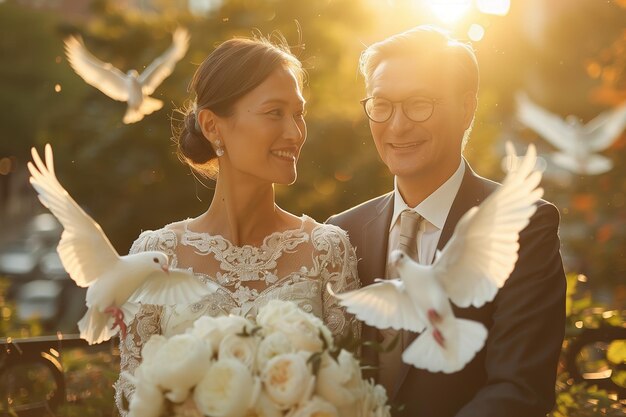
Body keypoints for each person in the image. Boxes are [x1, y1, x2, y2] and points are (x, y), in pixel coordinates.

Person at [114, 35, 360, 415]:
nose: (295, 133)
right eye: (274, 112)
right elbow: (136, 401)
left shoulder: (328, 250)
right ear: (213, 126)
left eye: (299, 113)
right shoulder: (154, 257)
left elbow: (348, 395)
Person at [327, 25, 566, 417]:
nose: (398, 125)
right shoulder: (341, 231)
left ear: (467, 107)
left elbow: (520, 389)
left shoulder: (524, 226)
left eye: (419, 103)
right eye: (382, 104)